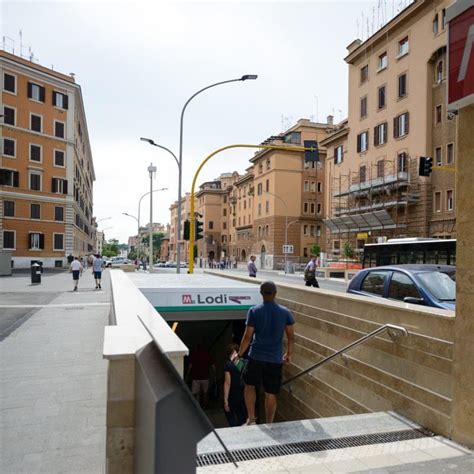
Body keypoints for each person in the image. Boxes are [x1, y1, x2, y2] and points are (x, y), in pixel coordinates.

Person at [238, 281, 295, 425]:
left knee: (249, 386)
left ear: (261, 294)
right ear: (275, 293)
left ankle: (251, 418)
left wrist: (239, 354)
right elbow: (291, 336)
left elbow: (247, 336)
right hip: (275, 359)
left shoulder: (254, 311)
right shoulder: (285, 312)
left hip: (256, 356)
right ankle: (270, 423)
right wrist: (289, 354)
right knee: (271, 393)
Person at [223, 343, 247, 427]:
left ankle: (234, 431)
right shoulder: (244, 363)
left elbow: (227, 383)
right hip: (244, 395)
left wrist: (225, 401)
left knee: (230, 416)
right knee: (242, 419)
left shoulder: (229, 365)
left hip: (232, 395)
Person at [187, 343, 214, 408]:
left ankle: (197, 406)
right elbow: (213, 366)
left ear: (197, 348)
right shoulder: (207, 355)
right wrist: (214, 375)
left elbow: (190, 366)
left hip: (195, 377)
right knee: (205, 393)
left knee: (196, 393)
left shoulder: (194, 355)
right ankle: (204, 406)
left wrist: (187, 375)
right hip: (205, 377)